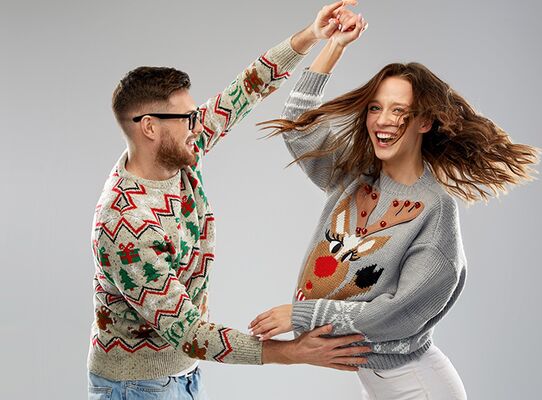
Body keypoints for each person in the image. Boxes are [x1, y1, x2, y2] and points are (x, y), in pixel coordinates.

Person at [249, 7, 540, 400]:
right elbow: (298, 125)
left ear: (424, 122)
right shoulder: (354, 177)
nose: (382, 120)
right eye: (375, 107)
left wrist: (300, 315)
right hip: (377, 381)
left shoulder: (435, 208)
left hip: (417, 385)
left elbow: (396, 313)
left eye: (399, 111)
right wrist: (334, 46)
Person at [87, 2, 372, 399]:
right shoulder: (126, 223)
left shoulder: (179, 151)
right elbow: (188, 331)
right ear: (149, 127)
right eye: (187, 118)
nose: (198, 124)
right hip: (137, 386)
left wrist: (313, 35)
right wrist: (291, 353)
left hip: (181, 374)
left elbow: (246, 89)